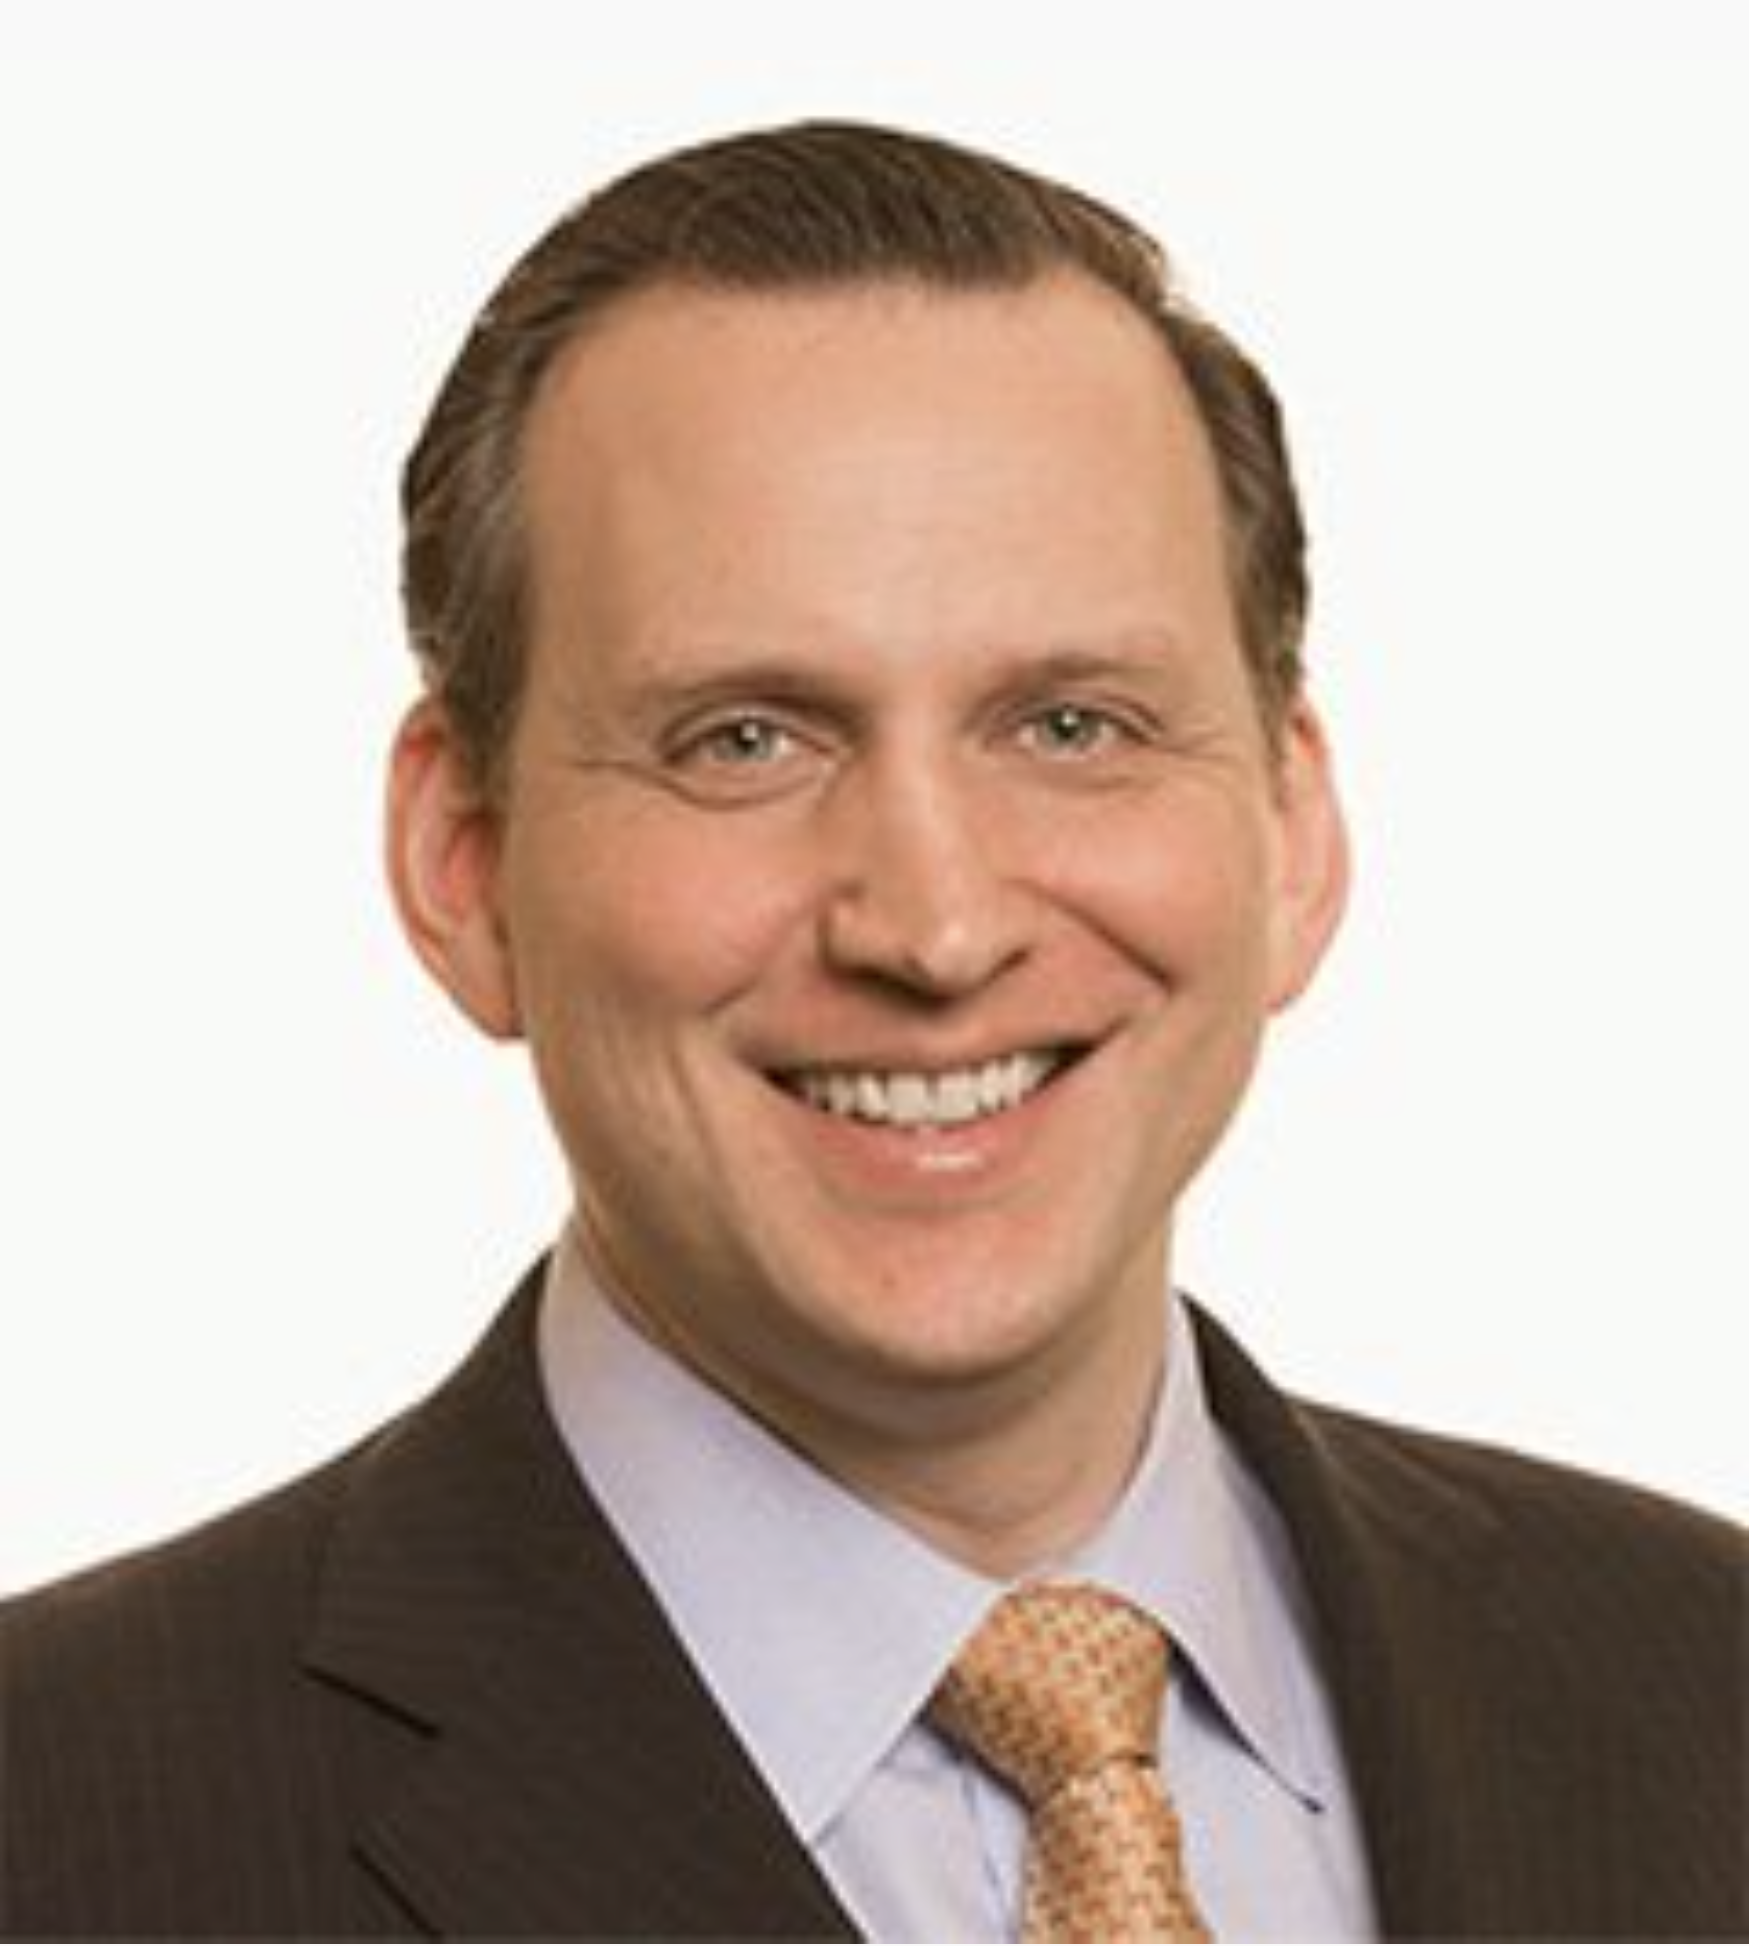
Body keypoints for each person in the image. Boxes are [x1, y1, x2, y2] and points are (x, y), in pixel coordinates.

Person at [1, 119, 1741, 1946]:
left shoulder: (1708, 1690)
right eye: (746, 738)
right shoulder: (56, 1828)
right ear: (465, 864)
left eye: (1071, 725)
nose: (935, 925)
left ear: (1292, 833)